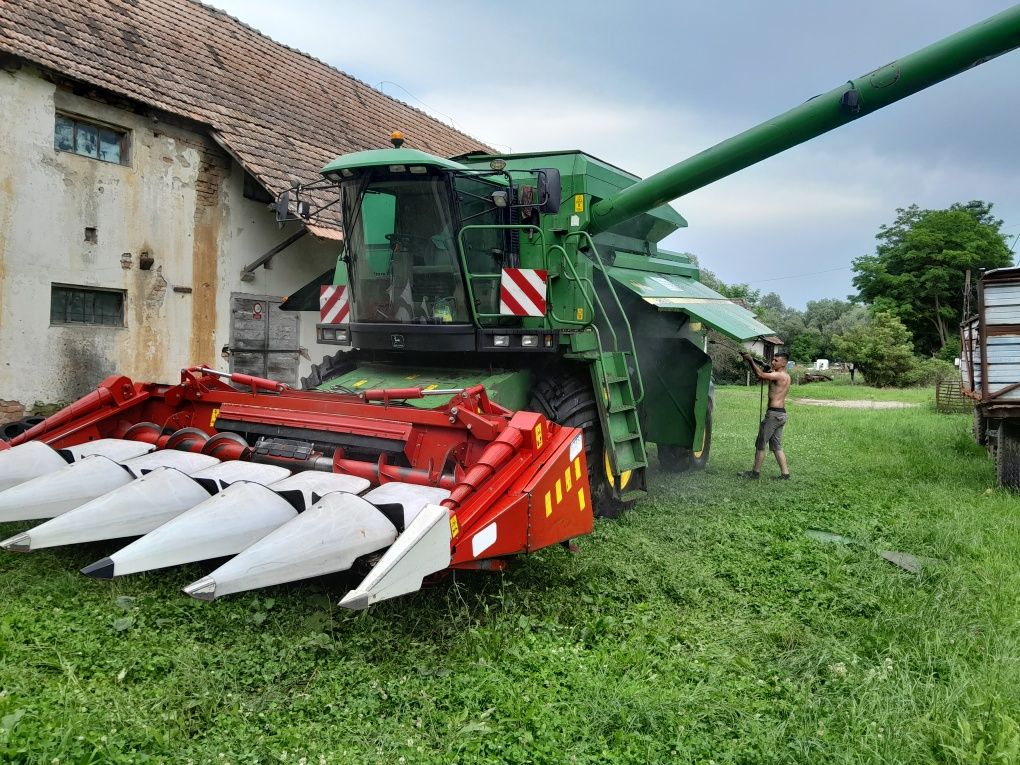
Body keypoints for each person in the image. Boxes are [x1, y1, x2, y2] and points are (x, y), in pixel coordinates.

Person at [740, 352, 791, 480]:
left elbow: (760, 375)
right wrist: (765, 369)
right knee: (776, 446)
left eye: (776, 360)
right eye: (773, 359)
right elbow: (763, 377)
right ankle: (785, 474)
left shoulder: (779, 375)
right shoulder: (785, 376)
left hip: (773, 415)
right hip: (781, 414)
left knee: (761, 443)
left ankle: (755, 473)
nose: (773, 362)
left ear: (784, 363)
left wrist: (750, 360)